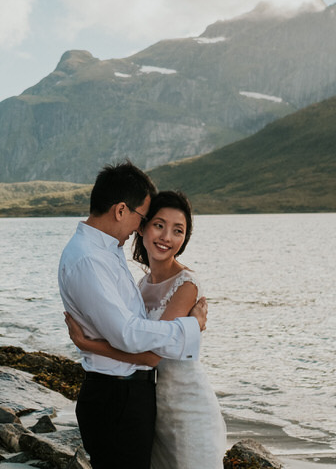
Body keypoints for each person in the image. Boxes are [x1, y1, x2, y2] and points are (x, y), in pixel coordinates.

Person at [58, 163, 208, 469]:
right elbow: (127, 334)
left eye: (177, 229)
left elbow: (137, 342)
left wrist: (91, 345)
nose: (140, 227)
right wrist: (191, 327)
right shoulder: (89, 258)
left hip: (130, 395)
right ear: (121, 210)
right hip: (117, 396)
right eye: (145, 218)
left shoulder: (106, 251)